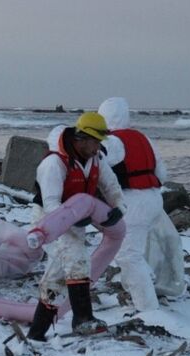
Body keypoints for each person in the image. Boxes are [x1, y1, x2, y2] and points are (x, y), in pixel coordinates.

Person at [26, 112, 126, 340]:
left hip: (75, 221)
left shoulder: (96, 159)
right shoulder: (53, 164)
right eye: (96, 141)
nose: (98, 146)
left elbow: (111, 186)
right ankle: (82, 319)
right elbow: (52, 205)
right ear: (82, 138)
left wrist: (119, 208)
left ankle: (36, 333)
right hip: (49, 222)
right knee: (78, 259)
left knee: (56, 279)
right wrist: (71, 220)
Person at [98, 97, 168, 312]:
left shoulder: (112, 142)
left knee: (128, 255)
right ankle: (142, 285)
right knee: (131, 251)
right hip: (155, 199)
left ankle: (148, 309)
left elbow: (96, 166)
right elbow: (162, 173)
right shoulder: (142, 137)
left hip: (134, 202)